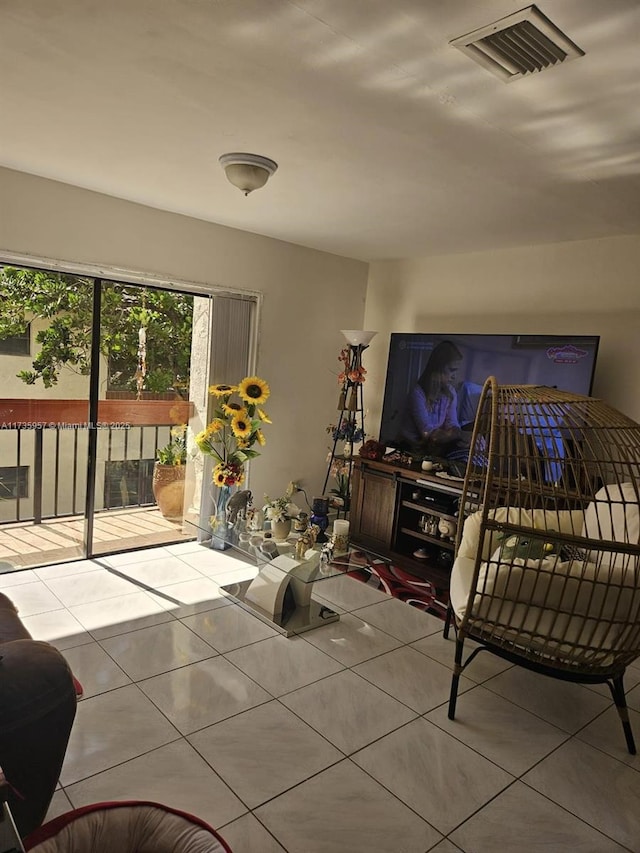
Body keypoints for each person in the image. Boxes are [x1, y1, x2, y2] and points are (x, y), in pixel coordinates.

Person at [400, 340, 465, 454]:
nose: (454, 376)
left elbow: (453, 424)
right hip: (409, 447)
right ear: (439, 366)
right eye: (451, 370)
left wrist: (452, 433)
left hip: (432, 448)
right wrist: (452, 434)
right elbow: (428, 433)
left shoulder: (450, 392)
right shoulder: (417, 393)